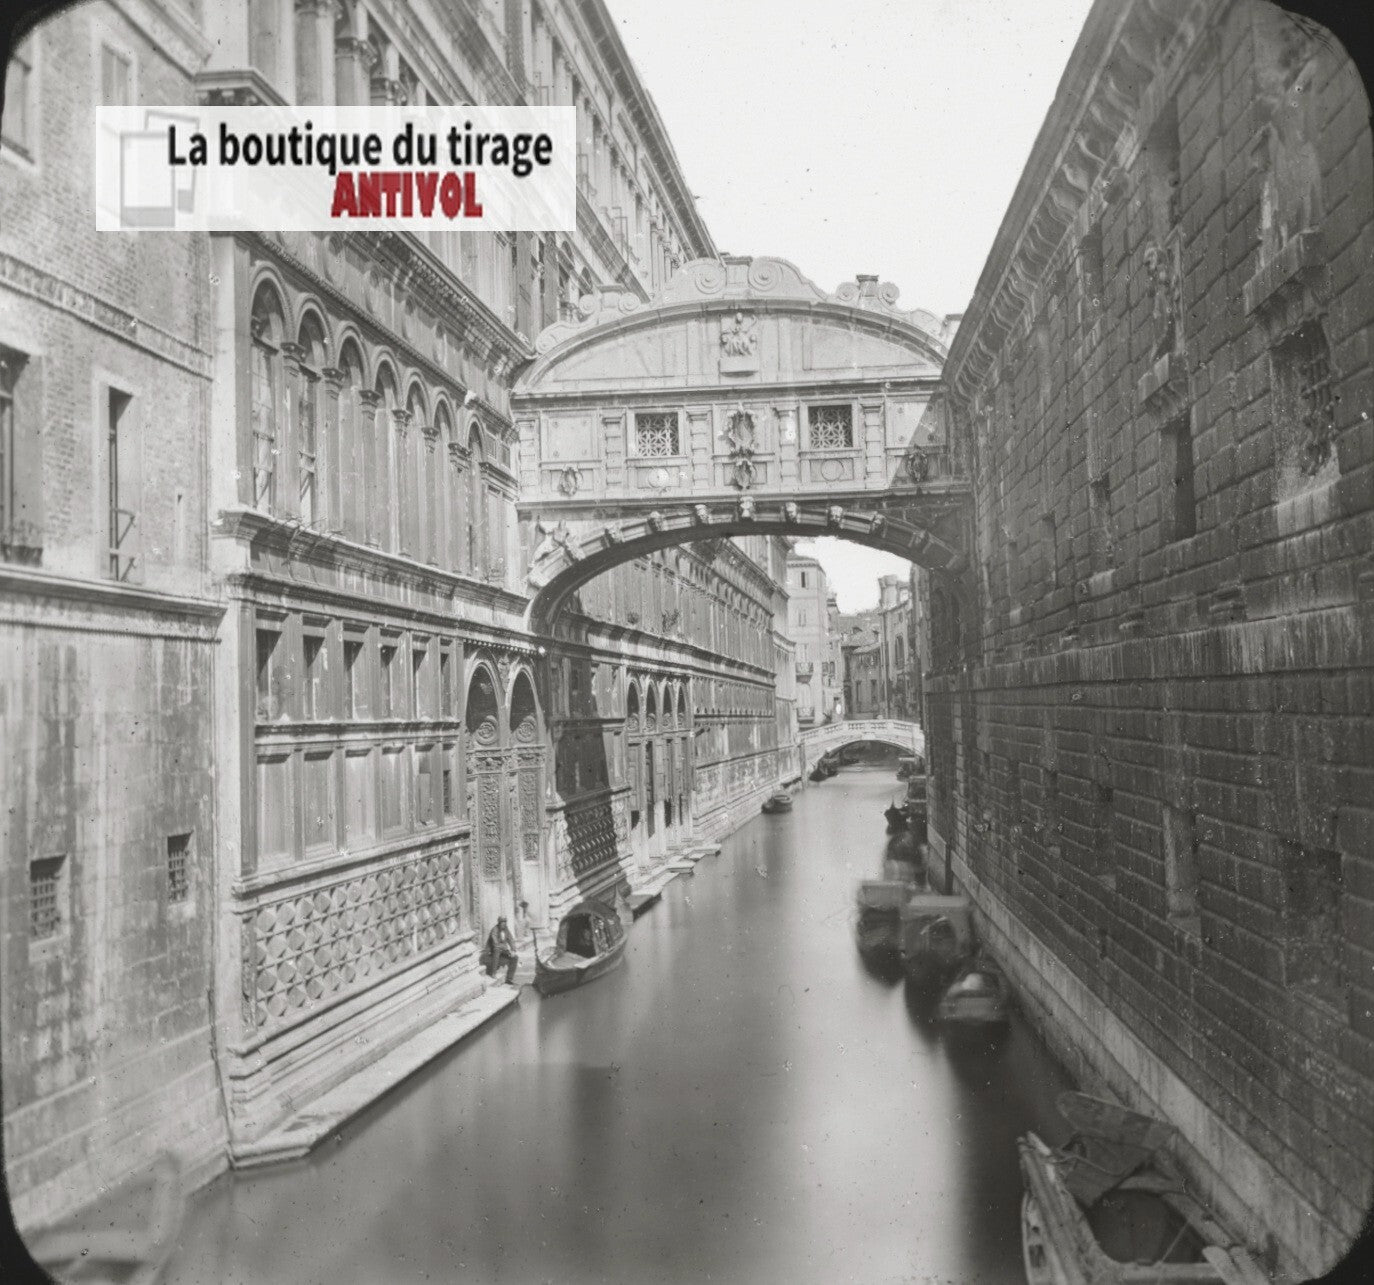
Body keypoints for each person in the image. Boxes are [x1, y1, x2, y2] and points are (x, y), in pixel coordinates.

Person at [483, 915, 518, 985]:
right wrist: (505, 948)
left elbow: (510, 939)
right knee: (497, 950)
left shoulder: (506, 929)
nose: (503, 924)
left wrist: (513, 949)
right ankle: (493, 973)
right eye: (502, 922)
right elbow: (495, 944)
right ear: (499, 923)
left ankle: (509, 979)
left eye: (505, 922)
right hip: (491, 951)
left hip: (502, 950)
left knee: (515, 957)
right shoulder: (494, 930)